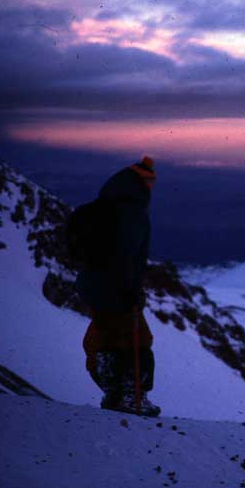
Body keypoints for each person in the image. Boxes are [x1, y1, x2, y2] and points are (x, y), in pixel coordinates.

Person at [74, 156, 160, 417]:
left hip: (93, 286)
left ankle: (114, 394)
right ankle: (132, 396)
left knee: (109, 339)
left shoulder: (105, 206)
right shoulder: (132, 213)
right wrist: (130, 288)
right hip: (117, 288)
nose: (150, 186)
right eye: (147, 180)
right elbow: (126, 255)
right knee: (136, 340)